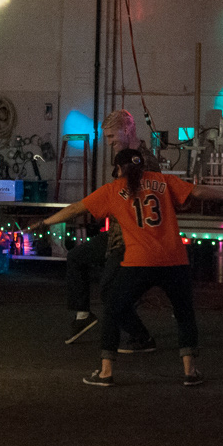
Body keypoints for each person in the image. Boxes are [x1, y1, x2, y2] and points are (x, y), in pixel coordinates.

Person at [31, 148, 223, 387]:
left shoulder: (113, 190)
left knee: (113, 308)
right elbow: (197, 191)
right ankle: (190, 371)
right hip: (174, 259)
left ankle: (105, 372)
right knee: (184, 313)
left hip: (139, 261)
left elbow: (75, 209)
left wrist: (44, 222)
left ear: (119, 168)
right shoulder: (163, 181)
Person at [62, 110, 158, 349]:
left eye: (112, 136)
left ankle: (142, 337)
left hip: (131, 239)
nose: (109, 142)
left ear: (126, 130)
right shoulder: (125, 159)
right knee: (76, 257)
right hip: (116, 234)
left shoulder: (145, 162)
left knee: (109, 291)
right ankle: (83, 316)